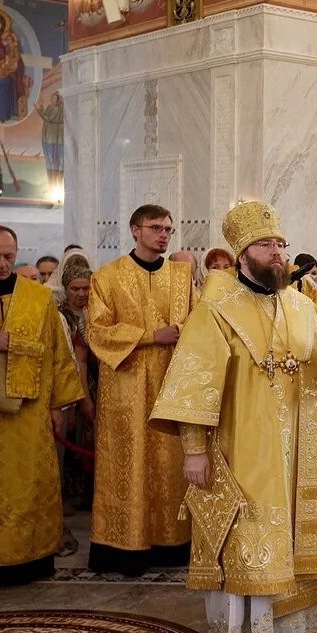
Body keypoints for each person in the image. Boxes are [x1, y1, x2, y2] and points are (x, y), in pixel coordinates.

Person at [150, 201, 317, 633]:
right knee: (250, 533)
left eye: (281, 244)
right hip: (243, 444)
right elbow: (193, 382)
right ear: (243, 254)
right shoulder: (216, 308)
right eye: (266, 245)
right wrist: (194, 450)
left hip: (301, 441)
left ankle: (295, 629)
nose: (277, 252)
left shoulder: (303, 305)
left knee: (298, 533)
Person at [86, 204, 196, 576]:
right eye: (155, 228)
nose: (164, 234)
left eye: (168, 228)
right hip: (126, 391)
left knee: (170, 464)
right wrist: (152, 336)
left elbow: (197, 326)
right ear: (135, 230)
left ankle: (171, 542)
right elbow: (98, 332)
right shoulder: (108, 277)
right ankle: (124, 546)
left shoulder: (183, 277)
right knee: (128, 465)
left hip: (171, 386)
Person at [0, 224, 83, 587]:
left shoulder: (38, 299)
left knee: (29, 485)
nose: (2, 264)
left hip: (30, 411)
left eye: (8, 256)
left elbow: (57, 356)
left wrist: (59, 407)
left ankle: (31, 559)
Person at [57, 257, 96, 525]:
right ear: (66, 289)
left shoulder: (95, 312)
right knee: (72, 440)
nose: (81, 294)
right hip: (71, 385)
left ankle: (89, 493)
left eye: (86, 288)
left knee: (90, 439)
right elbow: (76, 358)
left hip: (97, 381)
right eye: (75, 288)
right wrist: (82, 396)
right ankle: (68, 495)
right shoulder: (62, 316)